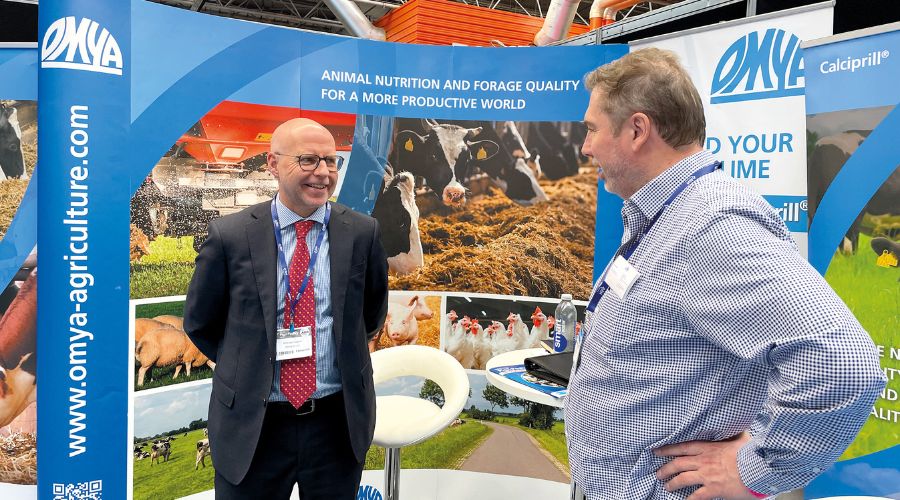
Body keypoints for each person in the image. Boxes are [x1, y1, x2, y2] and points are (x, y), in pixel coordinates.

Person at [565, 48, 886, 500]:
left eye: (592, 129)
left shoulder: (710, 225)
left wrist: (753, 471)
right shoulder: (668, 213)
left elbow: (843, 364)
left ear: (637, 130)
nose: (586, 146)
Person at [184, 117, 389, 499]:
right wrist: (248, 365)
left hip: (336, 425)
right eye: (308, 160)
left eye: (331, 161)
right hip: (253, 426)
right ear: (273, 164)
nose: (323, 173)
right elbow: (200, 323)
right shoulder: (230, 236)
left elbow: (371, 315)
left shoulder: (363, 233)